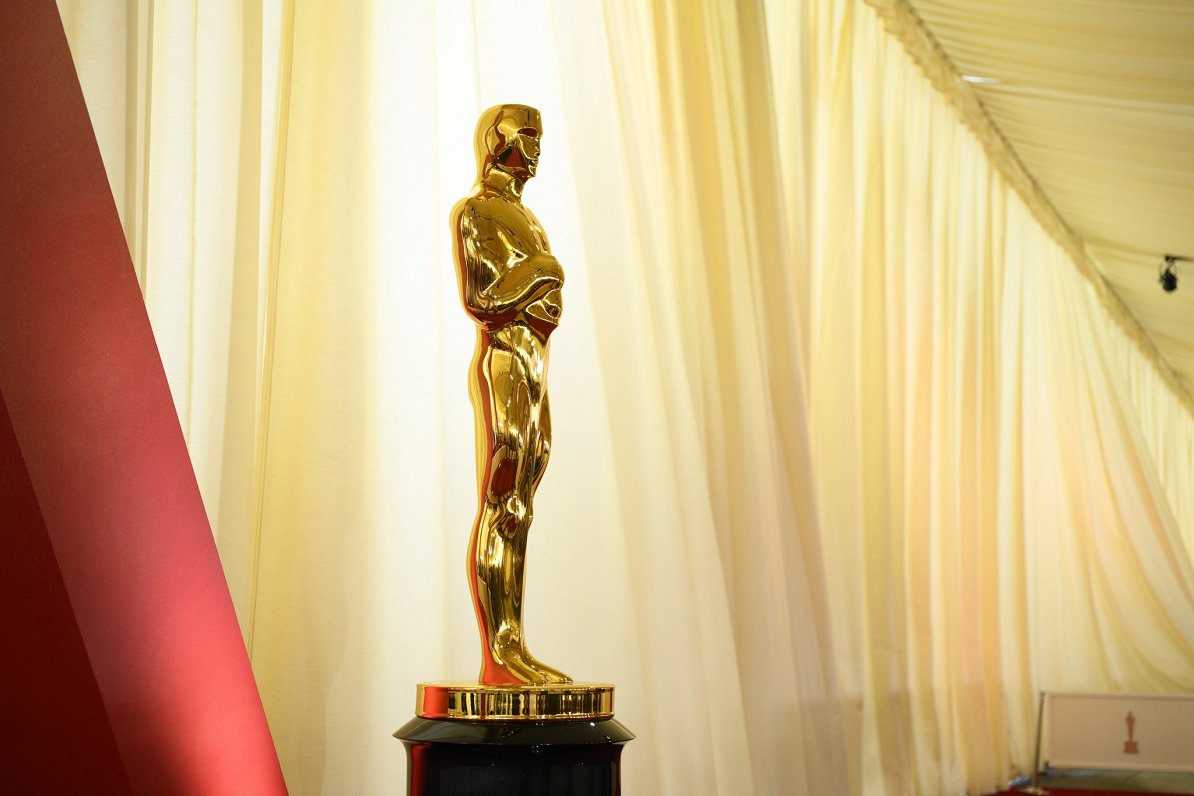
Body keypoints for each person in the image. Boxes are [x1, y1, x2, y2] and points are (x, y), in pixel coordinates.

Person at [450, 104, 571, 685]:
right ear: (499, 142)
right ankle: (499, 653)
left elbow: (546, 306)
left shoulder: (525, 216)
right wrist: (544, 270)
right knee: (505, 503)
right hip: (504, 360)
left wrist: (545, 283)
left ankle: (514, 644)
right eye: (526, 135)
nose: (536, 147)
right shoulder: (478, 210)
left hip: (533, 361)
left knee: (523, 505)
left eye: (539, 136)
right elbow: (484, 299)